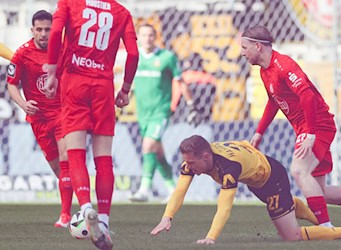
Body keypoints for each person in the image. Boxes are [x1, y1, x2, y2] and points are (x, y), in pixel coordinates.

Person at [240, 25, 341, 231]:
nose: (242, 52)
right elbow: (274, 101)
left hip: (317, 125)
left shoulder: (284, 65)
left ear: (257, 46)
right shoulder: (265, 72)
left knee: (299, 171)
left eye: (244, 47)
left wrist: (310, 133)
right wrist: (259, 132)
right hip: (307, 127)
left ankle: (326, 228)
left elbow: (307, 95)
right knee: (320, 191)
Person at [151, 135, 341, 243]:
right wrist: (166, 217)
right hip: (257, 178)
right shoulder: (198, 159)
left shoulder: (228, 168)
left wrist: (211, 237)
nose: (188, 167)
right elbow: (180, 190)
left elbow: (224, 207)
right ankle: (310, 216)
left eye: (192, 163)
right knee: (288, 208)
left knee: (291, 237)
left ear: (205, 155)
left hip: (272, 179)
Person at [43, 1, 139, 249]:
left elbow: (55, 33)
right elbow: (133, 53)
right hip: (103, 86)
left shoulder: (69, 3)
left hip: (74, 81)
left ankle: (86, 207)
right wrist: (125, 88)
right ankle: (104, 220)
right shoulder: (121, 11)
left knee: (75, 153)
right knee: (103, 157)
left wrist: (52, 71)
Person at [6, 10, 73, 228]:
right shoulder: (22, 54)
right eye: (40, 29)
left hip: (63, 112)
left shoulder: (64, 48)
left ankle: (66, 215)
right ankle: (77, 200)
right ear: (32, 30)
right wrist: (23, 104)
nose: (44, 34)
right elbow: (11, 84)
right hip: (39, 119)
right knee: (58, 169)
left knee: (66, 159)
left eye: (48, 29)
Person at [129, 24, 200, 202]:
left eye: (151, 35)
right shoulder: (134, 57)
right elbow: (130, 82)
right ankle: (173, 190)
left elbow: (180, 81)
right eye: (144, 35)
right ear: (138, 37)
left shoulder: (167, 57)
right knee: (157, 152)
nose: (147, 38)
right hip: (143, 113)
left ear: (156, 36)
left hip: (160, 112)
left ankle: (144, 189)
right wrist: (123, 98)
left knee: (148, 146)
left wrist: (191, 105)